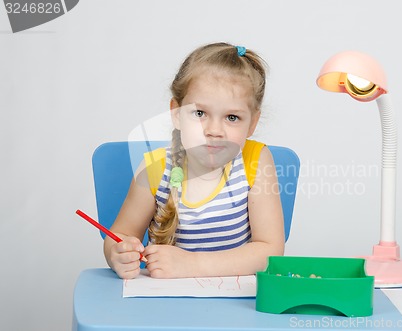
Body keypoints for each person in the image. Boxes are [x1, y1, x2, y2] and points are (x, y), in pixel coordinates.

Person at [104, 42, 284, 279]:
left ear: (252, 123)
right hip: (166, 304)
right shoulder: (154, 169)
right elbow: (120, 235)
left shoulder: (256, 160)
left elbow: (270, 252)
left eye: (232, 117)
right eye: (200, 113)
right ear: (176, 113)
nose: (214, 130)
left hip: (237, 309)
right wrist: (118, 254)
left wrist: (193, 264)